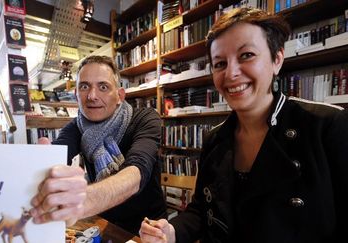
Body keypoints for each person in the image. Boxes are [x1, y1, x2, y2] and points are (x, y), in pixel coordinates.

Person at [139, 7, 348, 243]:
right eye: (219, 64)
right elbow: (202, 210)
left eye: (246, 55)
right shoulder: (215, 139)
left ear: (277, 59)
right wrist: (171, 232)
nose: (231, 74)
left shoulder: (327, 126)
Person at [31, 55, 167, 234]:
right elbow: (55, 156)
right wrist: (39, 165)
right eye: (84, 87)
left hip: (148, 229)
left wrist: (83, 201)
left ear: (119, 96)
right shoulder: (78, 126)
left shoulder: (145, 118)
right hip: (103, 224)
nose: (92, 96)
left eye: (103, 87)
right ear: (76, 95)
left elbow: (137, 171)